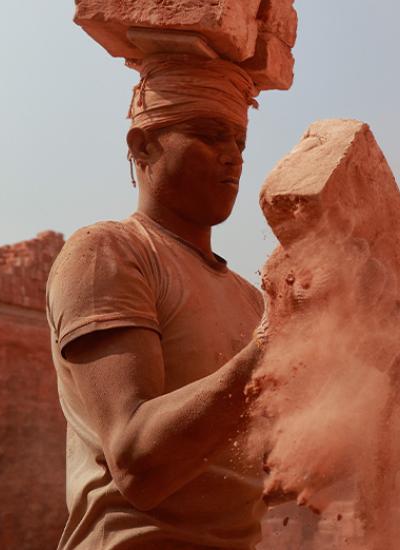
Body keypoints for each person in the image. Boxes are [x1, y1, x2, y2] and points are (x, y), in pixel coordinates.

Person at [46, 54, 273, 549]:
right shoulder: (109, 251)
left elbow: (265, 468)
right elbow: (138, 464)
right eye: (210, 135)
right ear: (142, 146)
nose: (233, 156)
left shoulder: (251, 300)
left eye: (239, 142)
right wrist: (276, 344)